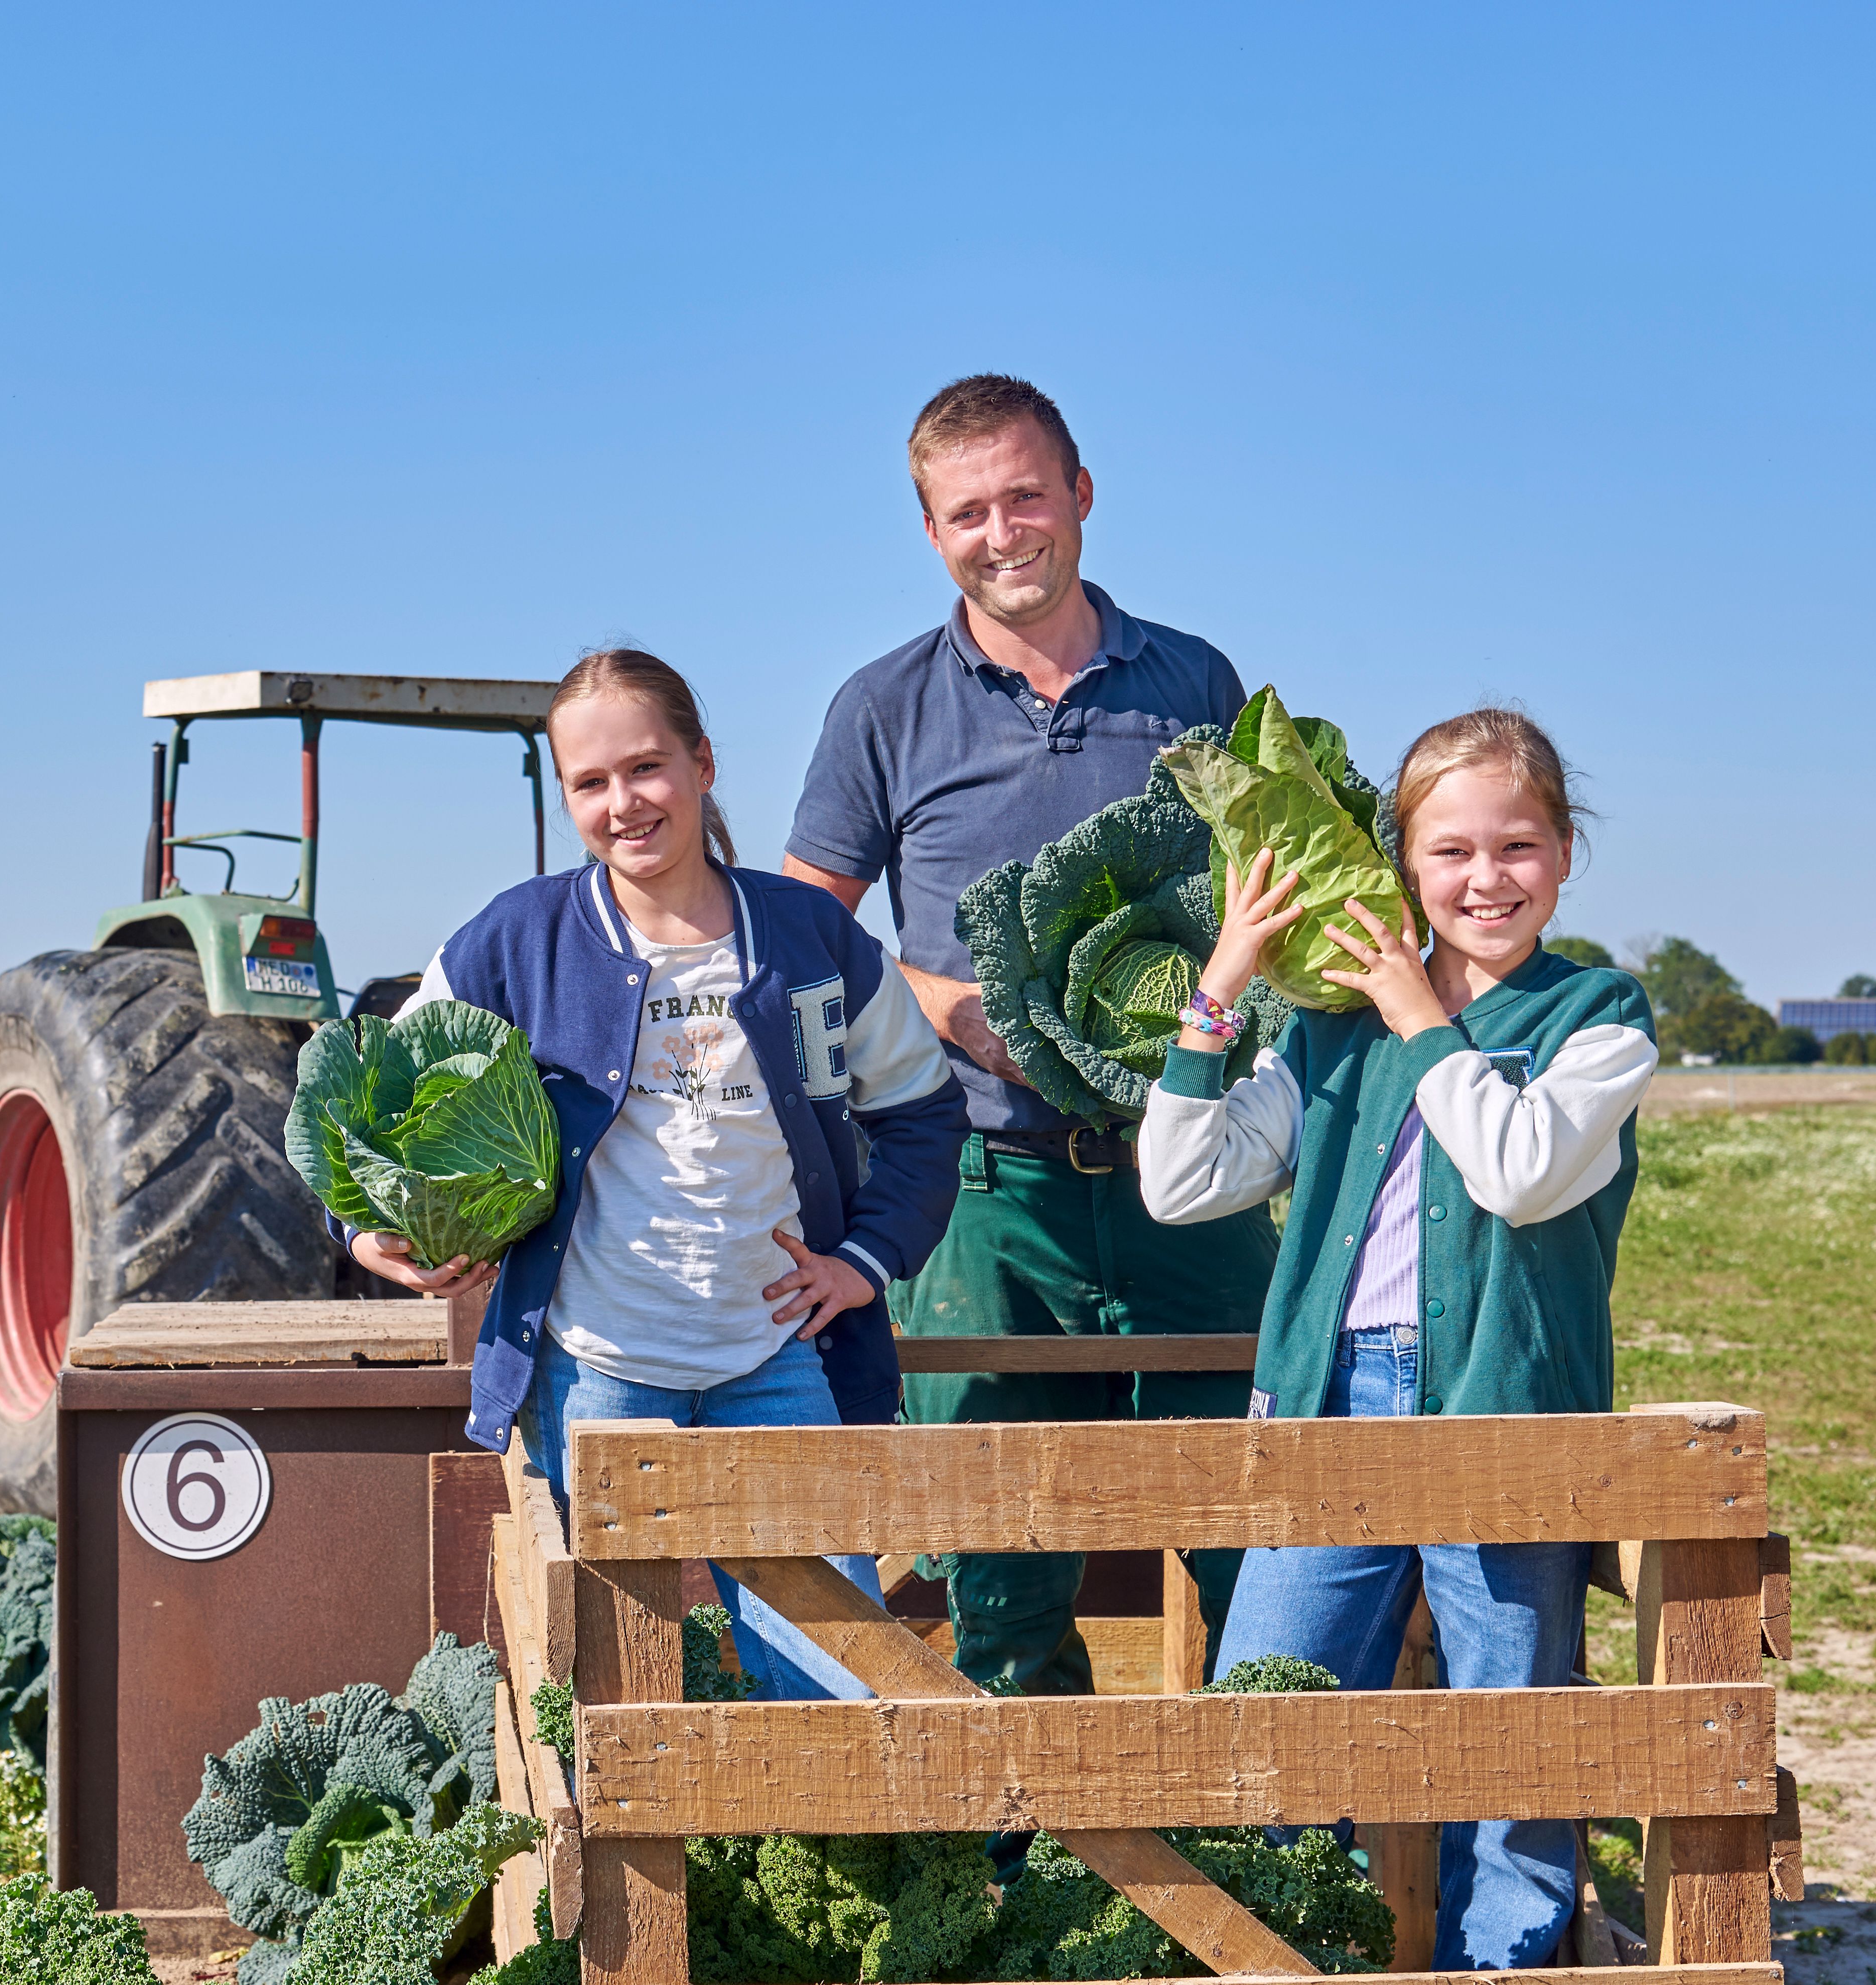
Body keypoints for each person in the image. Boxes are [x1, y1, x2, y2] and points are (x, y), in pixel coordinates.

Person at [1137, 708, 1656, 1969]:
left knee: (1512, 1747)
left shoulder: (1599, 1017)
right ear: (1402, 865)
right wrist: (1223, 984)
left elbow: (1516, 1171)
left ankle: (1500, 1966)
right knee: (1266, 1722)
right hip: (1332, 1401)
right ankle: (1277, 1955)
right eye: (1450, 852)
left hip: (1505, 1406)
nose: (1486, 880)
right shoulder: (1330, 1031)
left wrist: (1421, 1015)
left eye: (1517, 847)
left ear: (1566, 853)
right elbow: (1180, 1183)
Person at [783, 373, 1277, 1695]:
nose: (1001, 534)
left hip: (1192, 1180)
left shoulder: (1193, 681)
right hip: (985, 1196)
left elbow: (1261, 891)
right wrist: (951, 1008)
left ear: (1081, 495)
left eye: (1024, 498)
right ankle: (1030, 1827)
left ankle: (1265, 1810)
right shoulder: (882, 706)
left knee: (1259, 1539)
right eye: (967, 513)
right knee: (999, 1582)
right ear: (930, 531)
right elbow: (800, 936)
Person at [346, 648, 967, 1698]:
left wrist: (865, 1260)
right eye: (589, 782)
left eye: (645, 768)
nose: (622, 803)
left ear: (702, 764)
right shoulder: (517, 942)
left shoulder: (808, 937)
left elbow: (921, 1111)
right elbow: (371, 1107)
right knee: (614, 1692)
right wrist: (366, 1227)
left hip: (778, 1357)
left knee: (833, 1689)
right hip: (598, 1373)